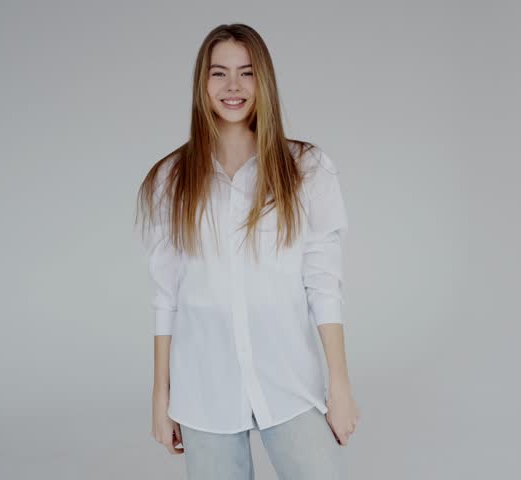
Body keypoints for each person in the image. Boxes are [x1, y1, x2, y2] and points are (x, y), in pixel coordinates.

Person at [135, 23, 360, 479]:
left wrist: (339, 384)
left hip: (288, 380)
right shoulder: (170, 179)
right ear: (203, 84)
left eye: (247, 72)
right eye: (219, 73)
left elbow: (322, 284)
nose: (233, 87)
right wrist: (162, 395)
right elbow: (167, 297)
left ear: (265, 82)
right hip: (205, 387)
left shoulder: (306, 168)